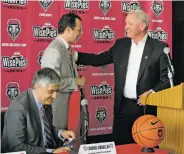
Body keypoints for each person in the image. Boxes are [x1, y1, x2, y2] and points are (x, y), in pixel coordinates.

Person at [74, 10, 171, 145]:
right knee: (121, 145)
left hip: (146, 107)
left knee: (144, 146)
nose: (125, 27)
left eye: (130, 24)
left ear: (142, 26)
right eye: (126, 23)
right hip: (123, 107)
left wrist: (152, 92)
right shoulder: (121, 45)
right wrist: (75, 56)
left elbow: (168, 77)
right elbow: (99, 59)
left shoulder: (159, 48)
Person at [1, 68, 76, 154]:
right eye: (51, 91)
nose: (55, 96)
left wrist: (61, 133)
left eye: (56, 91)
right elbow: (17, 147)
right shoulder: (19, 107)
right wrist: (51, 152)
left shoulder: (46, 102)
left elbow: (45, 130)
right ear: (37, 88)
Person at [41, 13, 86, 130]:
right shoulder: (54, 50)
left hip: (70, 107)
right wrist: (76, 82)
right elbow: (51, 83)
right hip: (58, 110)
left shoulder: (66, 48)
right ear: (68, 30)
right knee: (59, 144)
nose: (81, 33)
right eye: (79, 30)